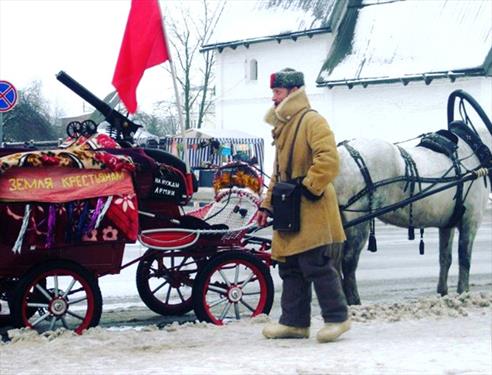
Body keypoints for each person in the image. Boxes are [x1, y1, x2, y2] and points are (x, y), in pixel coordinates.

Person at [257, 68, 350, 343]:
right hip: (289, 205)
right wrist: (267, 206)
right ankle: (294, 323)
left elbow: (329, 160)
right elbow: (278, 172)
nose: (274, 97)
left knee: (316, 264)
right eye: (273, 92)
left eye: (278, 92)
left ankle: (338, 318)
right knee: (290, 266)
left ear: (294, 91)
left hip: (311, 206)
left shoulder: (312, 121)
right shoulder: (284, 124)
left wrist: (308, 188)